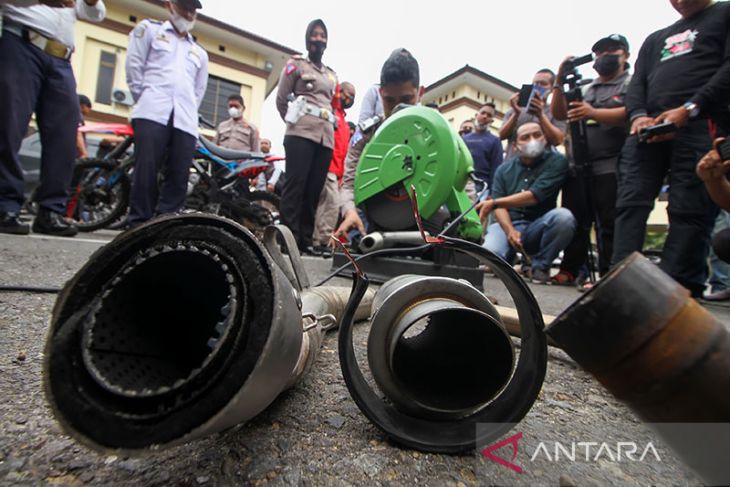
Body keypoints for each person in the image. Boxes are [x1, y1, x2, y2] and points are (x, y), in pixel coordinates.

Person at [612, 0, 730, 298]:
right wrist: (638, 115)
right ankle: (619, 281)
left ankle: (679, 285)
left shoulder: (725, 13)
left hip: (700, 122)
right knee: (631, 202)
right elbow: (637, 82)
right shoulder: (655, 38)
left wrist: (690, 108)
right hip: (648, 129)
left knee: (690, 205)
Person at [0, 0, 106, 236]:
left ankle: (51, 211)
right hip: (21, 42)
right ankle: (5, 206)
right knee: (9, 126)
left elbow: (95, 14)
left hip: (61, 57)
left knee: (64, 138)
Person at [549, 34, 632, 287]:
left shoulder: (631, 83)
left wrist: (593, 112)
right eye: (600, 51)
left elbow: (633, 112)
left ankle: (609, 274)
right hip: (579, 167)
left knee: (609, 223)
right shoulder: (585, 87)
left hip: (612, 166)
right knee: (577, 221)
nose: (605, 55)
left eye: (612, 50)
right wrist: (559, 80)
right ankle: (569, 270)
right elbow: (559, 113)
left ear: (625, 55)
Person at [124, 0, 209, 228]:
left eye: (193, 10)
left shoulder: (199, 53)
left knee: (179, 173)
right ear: (170, 5)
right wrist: (143, 99)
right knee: (146, 169)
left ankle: (166, 225)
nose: (189, 14)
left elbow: (198, 90)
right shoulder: (149, 30)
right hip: (153, 111)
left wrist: (188, 108)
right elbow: (134, 67)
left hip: (185, 119)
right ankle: (138, 224)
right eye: (184, 8)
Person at [335, 48, 423, 240]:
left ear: (420, 93)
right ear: (380, 93)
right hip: (374, 223)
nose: (398, 108)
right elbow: (348, 184)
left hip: (425, 223)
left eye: (407, 100)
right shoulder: (367, 134)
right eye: (390, 100)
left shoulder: (435, 133)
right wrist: (350, 211)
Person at [478, 122, 576, 284]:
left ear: (545, 138)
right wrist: (510, 231)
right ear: (515, 146)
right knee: (491, 252)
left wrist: (494, 202)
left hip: (538, 226)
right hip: (506, 225)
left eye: (537, 135)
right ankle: (507, 261)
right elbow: (500, 207)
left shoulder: (557, 162)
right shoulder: (503, 169)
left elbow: (534, 195)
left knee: (564, 218)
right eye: (525, 137)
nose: (532, 140)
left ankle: (539, 266)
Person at [275, 19, 337, 255]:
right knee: (295, 187)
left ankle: (305, 241)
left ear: (327, 41)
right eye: (314, 34)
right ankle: (288, 241)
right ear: (307, 38)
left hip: (325, 138)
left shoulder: (331, 75)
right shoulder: (296, 64)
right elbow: (282, 99)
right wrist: (294, 124)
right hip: (300, 134)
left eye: (322, 35)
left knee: (313, 191)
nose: (318, 39)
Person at [313, 81, 355, 253]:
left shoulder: (344, 121)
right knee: (331, 204)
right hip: (327, 167)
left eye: (352, 96)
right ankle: (321, 241)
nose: (349, 98)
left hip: (338, 171)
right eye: (346, 93)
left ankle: (319, 240)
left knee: (327, 205)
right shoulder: (330, 113)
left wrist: (342, 175)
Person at [499, 69, 567, 161]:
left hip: (543, 167)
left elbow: (558, 140)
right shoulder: (515, 109)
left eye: (543, 83)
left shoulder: (556, 112)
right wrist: (516, 113)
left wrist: (540, 115)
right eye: (535, 83)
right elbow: (501, 136)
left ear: (551, 89)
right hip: (513, 166)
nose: (538, 87)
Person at [463, 103, 503, 197]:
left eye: (489, 115)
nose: (485, 116)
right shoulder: (464, 139)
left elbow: (496, 168)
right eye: (483, 113)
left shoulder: (495, 141)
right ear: (476, 115)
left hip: (482, 188)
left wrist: (492, 193)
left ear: (492, 121)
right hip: (462, 185)